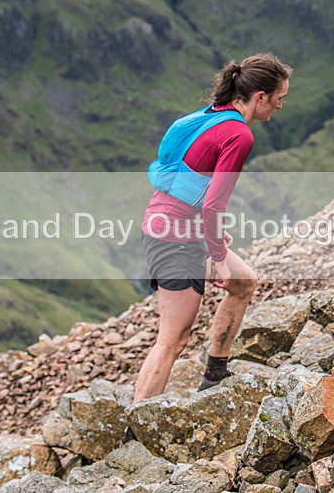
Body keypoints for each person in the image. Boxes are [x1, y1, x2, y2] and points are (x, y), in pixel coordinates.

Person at [123, 54, 292, 443]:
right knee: (172, 340)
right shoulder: (240, 134)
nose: (282, 105)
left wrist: (210, 237)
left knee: (244, 283)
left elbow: (194, 194)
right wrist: (216, 257)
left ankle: (214, 376)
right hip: (173, 238)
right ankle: (133, 437)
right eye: (280, 98)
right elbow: (214, 203)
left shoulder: (213, 114)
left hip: (178, 228)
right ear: (261, 97)